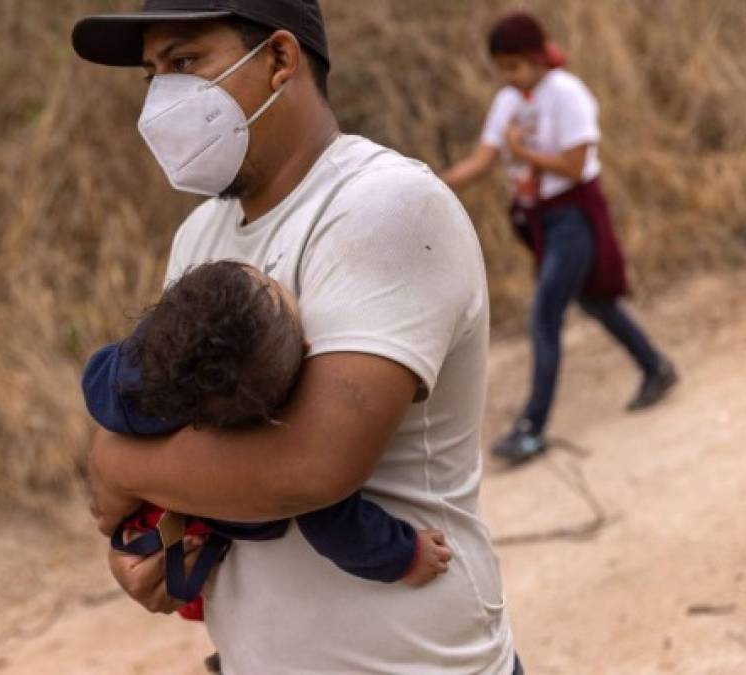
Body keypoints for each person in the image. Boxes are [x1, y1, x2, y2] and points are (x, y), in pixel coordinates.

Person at [73, 1, 521, 673]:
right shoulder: (199, 235)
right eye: (151, 75)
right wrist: (153, 545)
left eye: (187, 62)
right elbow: (173, 422)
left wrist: (112, 461)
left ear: (280, 60)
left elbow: (309, 467)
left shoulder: (383, 205)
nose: (162, 97)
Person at [81, 260, 452, 623]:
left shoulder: (133, 392)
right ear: (305, 348)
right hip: (211, 557)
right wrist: (406, 555)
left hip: (175, 543)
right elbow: (337, 527)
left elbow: (99, 378)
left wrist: (150, 350)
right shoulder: (281, 445)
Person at [440, 12, 678, 464]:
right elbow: (485, 158)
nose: (507, 77)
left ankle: (532, 427)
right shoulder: (509, 99)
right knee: (595, 303)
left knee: (545, 316)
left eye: (514, 66)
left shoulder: (568, 94)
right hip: (540, 220)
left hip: (574, 217)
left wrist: (524, 151)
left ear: (535, 58)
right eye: (501, 69)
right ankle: (656, 367)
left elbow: (573, 165)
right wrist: (433, 182)